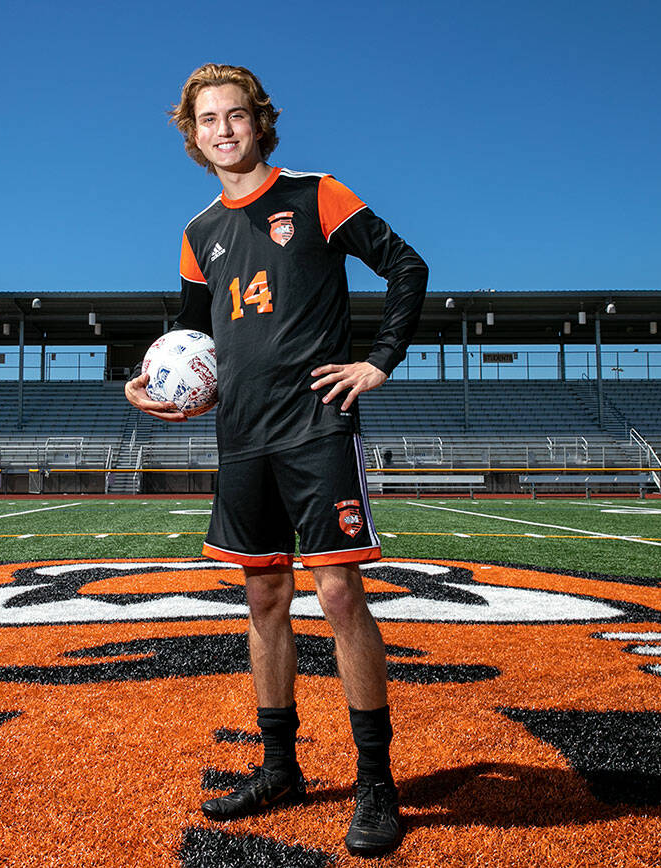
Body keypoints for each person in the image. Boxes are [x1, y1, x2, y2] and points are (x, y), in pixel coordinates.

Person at [125, 63, 427, 858]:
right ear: (190, 136)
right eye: (206, 120)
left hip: (316, 429)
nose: (222, 130)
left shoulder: (315, 193)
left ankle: (375, 784)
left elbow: (406, 266)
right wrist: (153, 387)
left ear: (259, 121)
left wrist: (379, 362)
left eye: (234, 115)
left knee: (337, 592)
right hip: (244, 440)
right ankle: (280, 767)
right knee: (263, 599)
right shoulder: (198, 235)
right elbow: (189, 342)